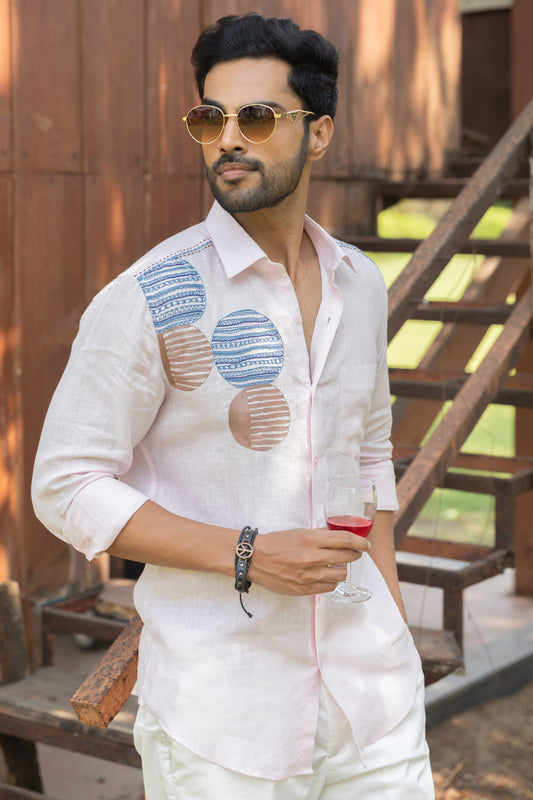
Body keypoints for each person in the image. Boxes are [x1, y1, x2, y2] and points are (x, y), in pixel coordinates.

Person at [32, 12, 434, 799]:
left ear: (318, 134)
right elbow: (65, 485)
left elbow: (366, 458)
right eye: (208, 118)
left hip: (372, 703)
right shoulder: (150, 295)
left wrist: (393, 633)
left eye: (256, 116)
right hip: (224, 721)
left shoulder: (358, 282)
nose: (227, 139)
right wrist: (247, 553)